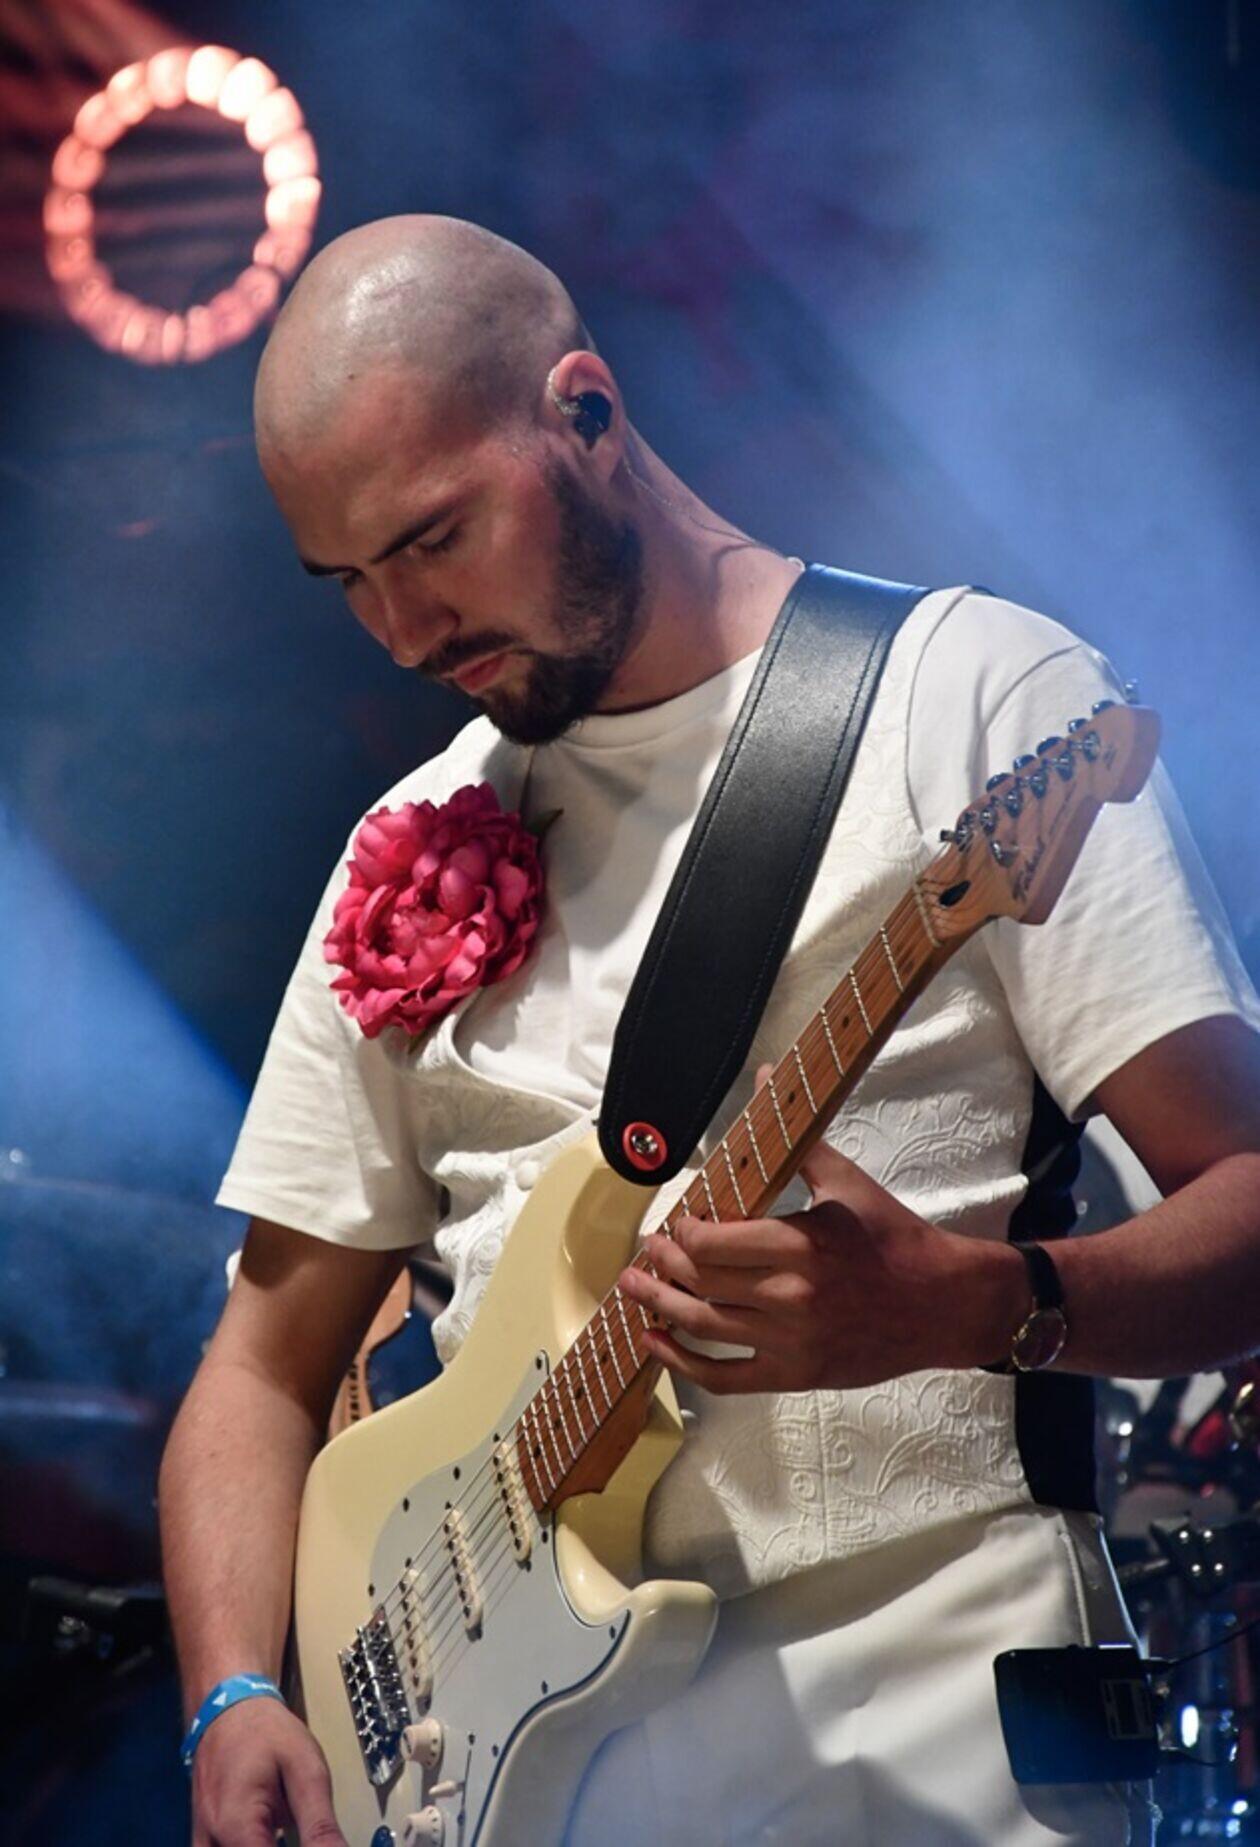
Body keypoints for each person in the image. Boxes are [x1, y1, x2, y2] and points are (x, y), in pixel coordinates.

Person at [158, 215, 1260, 1847]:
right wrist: (236, 1693)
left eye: (434, 538)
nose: (402, 630)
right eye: (351, 583)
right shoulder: (410, 840)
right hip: (522, 1786)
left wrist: (981, 1306)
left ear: (587, 411)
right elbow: (258, 1368)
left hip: (937, 1738)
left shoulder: (971, 696)